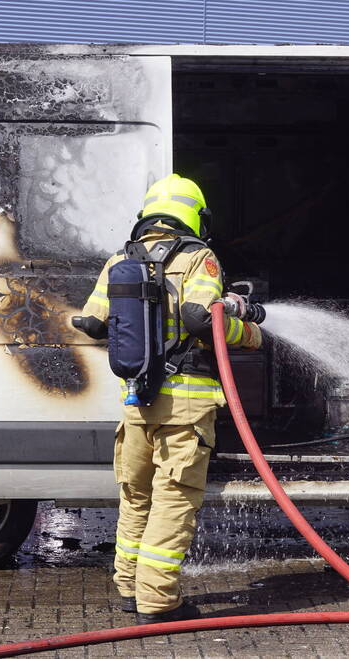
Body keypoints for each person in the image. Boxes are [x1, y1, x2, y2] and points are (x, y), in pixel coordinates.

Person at [74, 174, 264, 623]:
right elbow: (201, 321)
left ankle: (128, 587)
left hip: (136, 403)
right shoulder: (199, 257)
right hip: (186, 408)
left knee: (136, 498)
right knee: (173, 501)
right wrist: (248, 330)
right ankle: (158, 602)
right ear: (196, 216)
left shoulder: (119, 259)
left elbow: (92, 323)